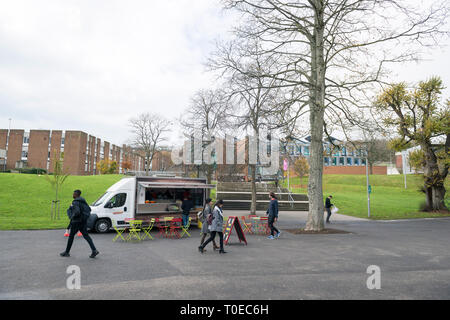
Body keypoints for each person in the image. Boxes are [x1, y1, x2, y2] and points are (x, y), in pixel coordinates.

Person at [60, 190, 99, 258]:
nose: (73, 195)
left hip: (76, 222)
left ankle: (67, 252)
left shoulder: (75, 202)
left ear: (76, 194)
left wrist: (71, 216)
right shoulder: (83, 201)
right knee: (86, 236)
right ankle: (94, 250)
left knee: (71, 236)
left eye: (73, 194)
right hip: (83, 221)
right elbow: (89, 209)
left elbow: (77, 212)